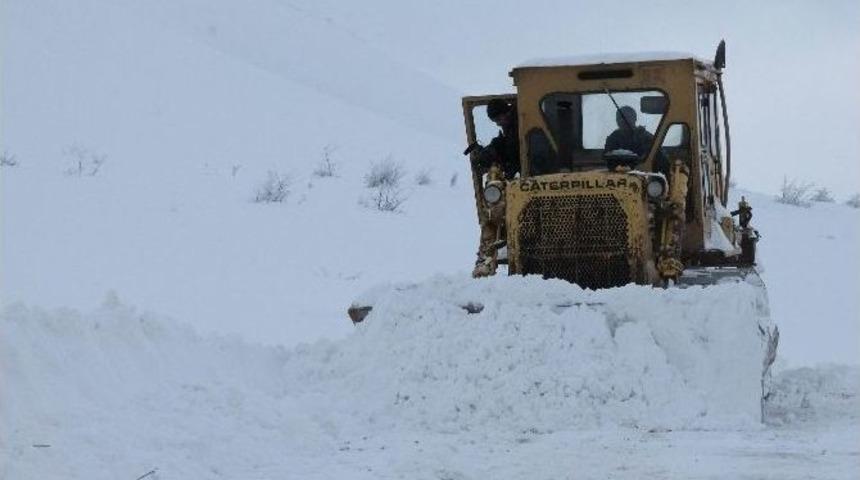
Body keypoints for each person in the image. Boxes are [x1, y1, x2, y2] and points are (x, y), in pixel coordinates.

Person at [471, 99, 519, 278]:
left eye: (499, 118)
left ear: (505, 113)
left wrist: (508, 163)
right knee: (492, 215)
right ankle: (486, 259)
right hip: (515, 179)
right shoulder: (512, 126)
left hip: (522, 179)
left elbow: (516, 150)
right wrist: (493, 149)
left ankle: (486, 259)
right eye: (495, 121)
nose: (498, 122)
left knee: (494, 215)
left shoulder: (520, 123)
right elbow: (506, 144)